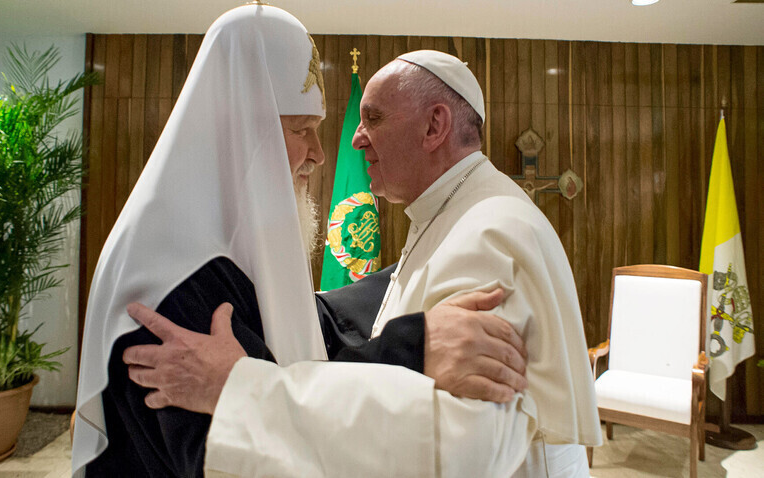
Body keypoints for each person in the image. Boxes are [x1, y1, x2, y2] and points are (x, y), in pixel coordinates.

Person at [72, 5, 528, 478]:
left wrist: (421, 265)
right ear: (240, 128)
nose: (318, 153)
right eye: (300, 130)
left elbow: (309, 328)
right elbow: (233, 459)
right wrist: (416, 349)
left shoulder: (207, 242)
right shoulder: (170, 275)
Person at [124, 50, 604, 477]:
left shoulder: (490, 232)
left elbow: (468, 449)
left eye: (371, 118)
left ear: (434, 126)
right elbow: (394, 288)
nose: (354, 140)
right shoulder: (455, 211)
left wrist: (242, 388)